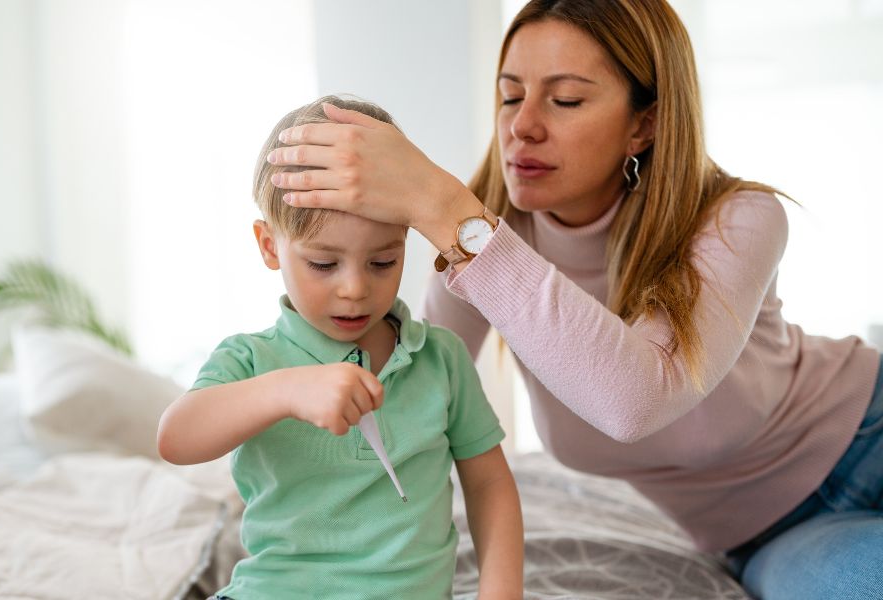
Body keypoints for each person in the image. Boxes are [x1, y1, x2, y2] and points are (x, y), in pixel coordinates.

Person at [263, 2, 883, 599]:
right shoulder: (488, 248)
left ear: (645, 124)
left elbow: (637, 398)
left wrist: (440, 203)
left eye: (564, 100)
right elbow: (398, 396)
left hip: (867, 429)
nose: (521, 125)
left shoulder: (739, 219)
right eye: (510, 95)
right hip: (770, 535)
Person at [157, 96, 524, 600]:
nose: (354, 289)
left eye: (382, 262)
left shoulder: (441, 359)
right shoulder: (250, 361)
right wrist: (285, 391)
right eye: (324, 265)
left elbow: (490, 487)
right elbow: (176, 438)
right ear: (269, 246)